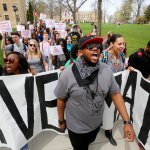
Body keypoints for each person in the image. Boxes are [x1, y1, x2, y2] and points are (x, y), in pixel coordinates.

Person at [54, 34, 134, 150]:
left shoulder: (106, 70)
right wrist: (61, 120)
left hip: (96, 125)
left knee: (90, 141)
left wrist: (127, 122)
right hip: (76, 129)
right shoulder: (67, 74)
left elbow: (116, 94)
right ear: (80, 52)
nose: (96, 48)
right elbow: (61, 100)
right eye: (90, 46)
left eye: (98, 46)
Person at [100, 34, 126, 146]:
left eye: (124, 44)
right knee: (104, 110)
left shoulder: (123, 56)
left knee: (112, 111)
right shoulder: (104, 56)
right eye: (119, 44)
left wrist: (128, 69)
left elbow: (122, 70)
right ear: (111, 44)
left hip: (116, 90)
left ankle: (108, 130)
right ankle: (104, 128)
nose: (122, 46)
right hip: (104, 90)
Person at [3, 51, 30, 150]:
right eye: (6, 60)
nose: (8, 63)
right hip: (8, 120)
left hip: (22, 121)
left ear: (19, 63)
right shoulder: (3, 80)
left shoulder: (28, 79)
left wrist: (36, 76)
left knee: (22, 145)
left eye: (11, 60)